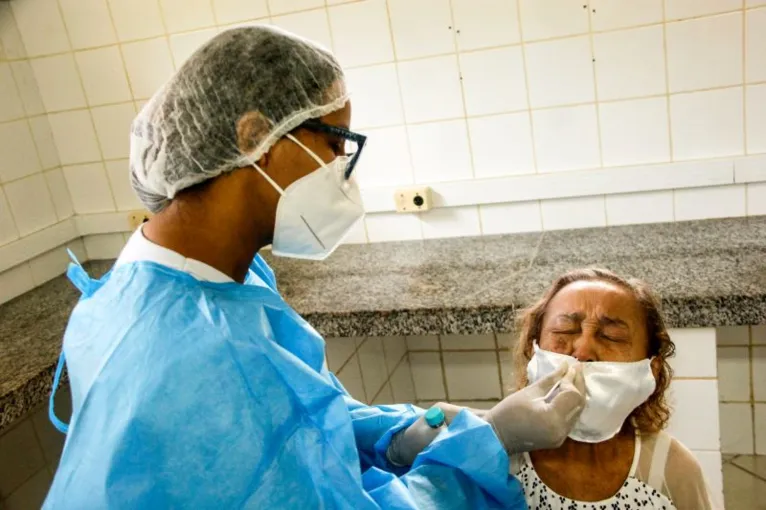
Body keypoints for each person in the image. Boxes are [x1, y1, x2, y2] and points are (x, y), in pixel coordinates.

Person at [43, 26, 587, 509]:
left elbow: (294, 416)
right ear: (255, 138)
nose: (342, 171)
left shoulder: (188, 277)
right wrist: (487, 443)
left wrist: (392, 437)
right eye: (336, 143)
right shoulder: (197, 358)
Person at [505, 268, 721, 509]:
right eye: (564, 331)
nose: (583, 352)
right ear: (532, 350)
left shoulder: (673, 470)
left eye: (611, 336)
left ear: (653, 369)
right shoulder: (498, 463)